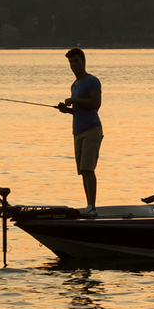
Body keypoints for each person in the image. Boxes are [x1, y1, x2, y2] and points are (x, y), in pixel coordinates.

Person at [56, 48, 103, 209]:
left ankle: (92, 206)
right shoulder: (74, 85)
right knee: (83, 171)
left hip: (92, 130)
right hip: (78, 132)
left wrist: (75, 99)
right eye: (71, 62)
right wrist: (67, 110)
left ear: (83, 62)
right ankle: (88, 205)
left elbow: (95, 104)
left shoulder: (92, 81)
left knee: (88, 169)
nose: (73, 65)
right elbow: (79, 110)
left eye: (76, 61)